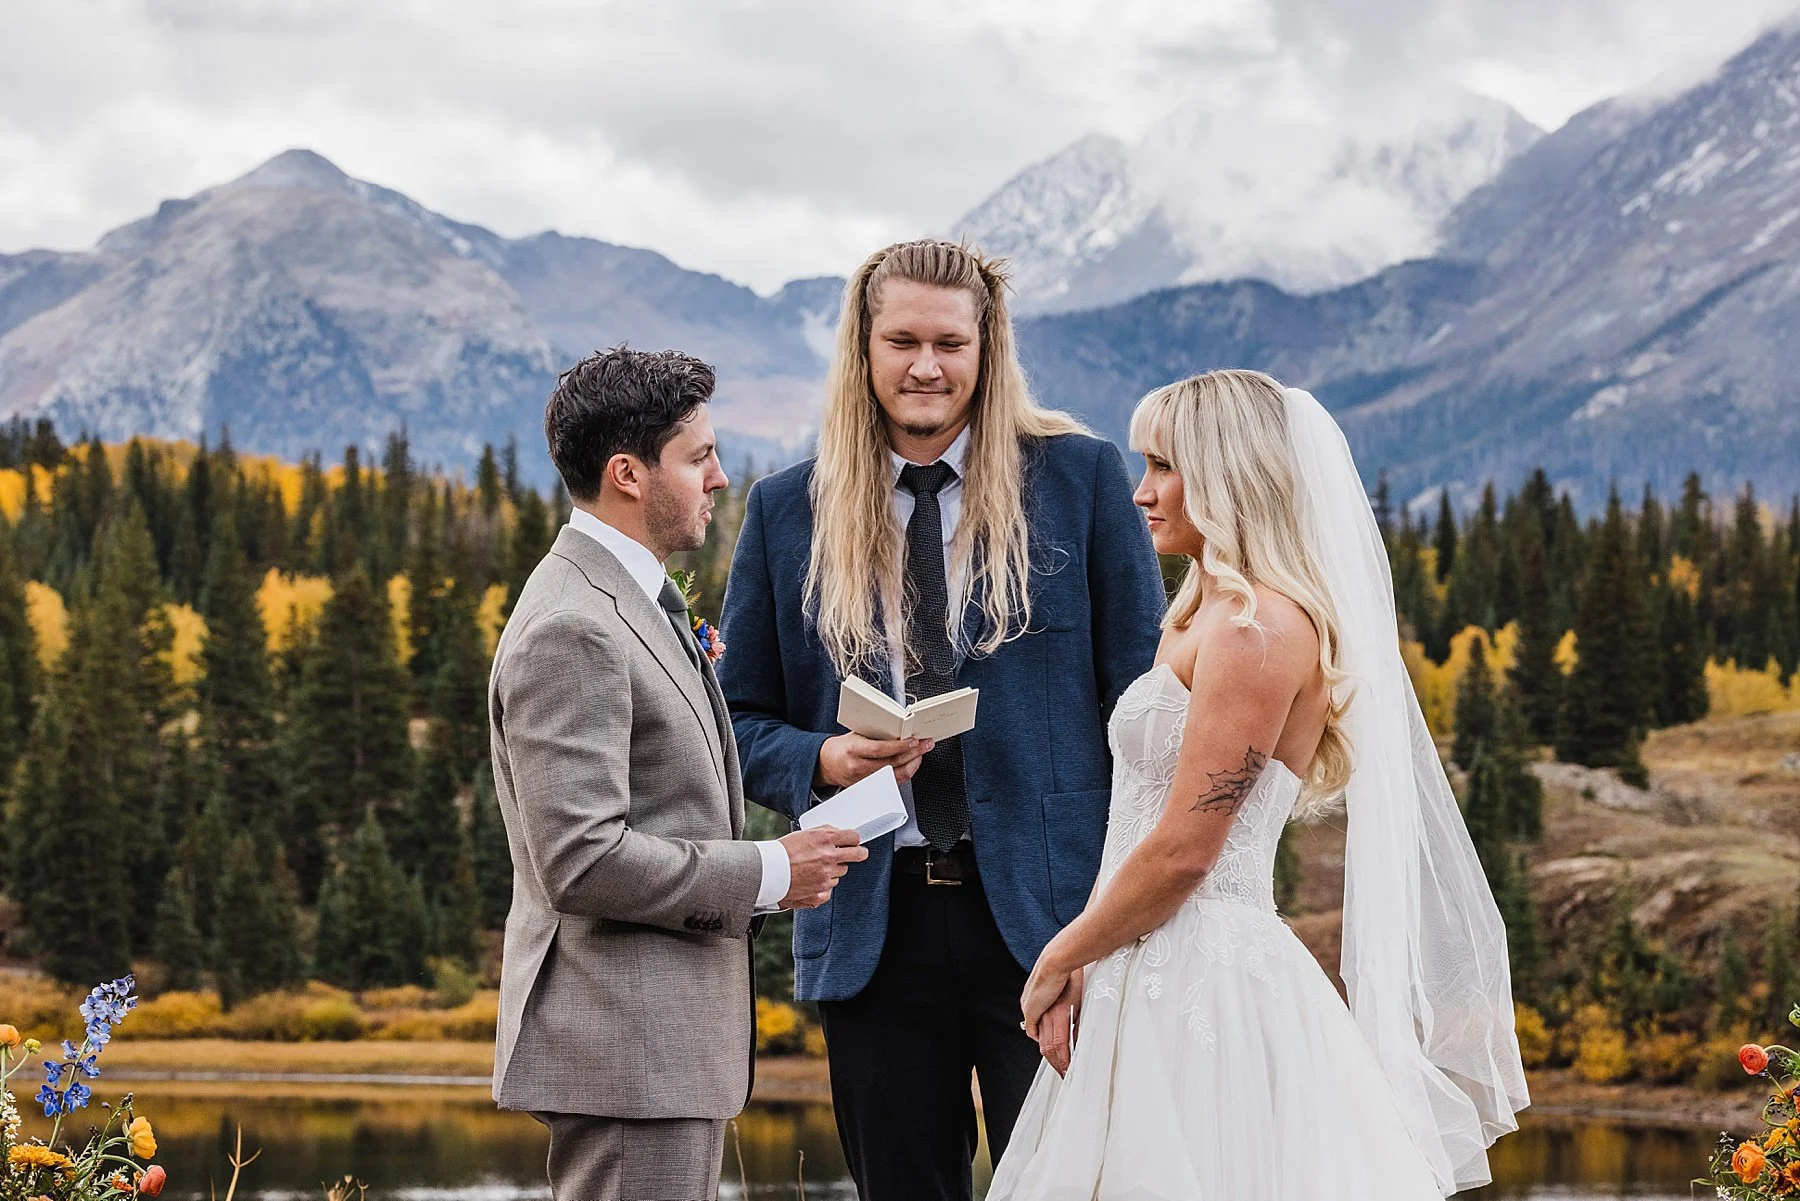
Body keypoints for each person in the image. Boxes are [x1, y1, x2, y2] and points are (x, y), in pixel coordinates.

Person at [988, 369, 1530, 1200]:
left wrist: (1060, 955)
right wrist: (1094, 960)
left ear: (1228, 471)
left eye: (1164, 467)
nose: (1142, 493)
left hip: (1203, 973)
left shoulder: (1257, 628)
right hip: (1139, 956)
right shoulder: (1205, 613)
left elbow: (1184, 851)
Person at [717, 240, 1166, 1201]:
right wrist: (826, 756)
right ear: (864, 348)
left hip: (1050, 926)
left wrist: (1115, 922)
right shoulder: (786, 509)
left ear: (987, 348)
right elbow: (737, 721)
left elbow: (1140, 712)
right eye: (903, 340)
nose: (926, 366)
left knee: (1071, 1187)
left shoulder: (1082, 483)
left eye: (950, 343)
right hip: (873, 923)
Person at [487, 347, 867, 1201]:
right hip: (627, 1051)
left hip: (657, 1051)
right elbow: (580, 858)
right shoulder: (572, 627)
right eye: (698, 457)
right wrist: (775, 870)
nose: (721, 478)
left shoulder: (626, 599)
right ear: (627, 473)